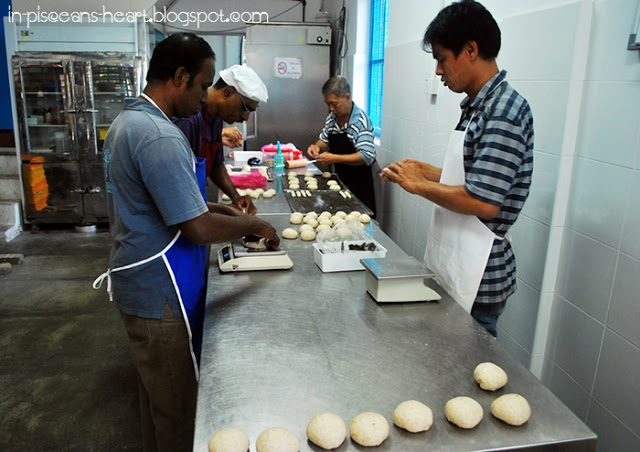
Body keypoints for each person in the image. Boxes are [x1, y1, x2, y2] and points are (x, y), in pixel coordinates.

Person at [93, 33, 279, 452]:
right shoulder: (159, 135)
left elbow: (177, 205)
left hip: (142, 278)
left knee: (157, 401)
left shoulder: (129, 121)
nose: (203, 96)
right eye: (200, 85)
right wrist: (254, 226)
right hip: (158, 289)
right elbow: (196, 228)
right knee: (177, 413)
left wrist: (228, 209)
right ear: (180, 77)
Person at [381, 0, 534, 337]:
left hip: (479, 273)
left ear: (470, 50)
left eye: (440, 58)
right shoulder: (478, 106)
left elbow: (484, 202)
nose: (438, 71)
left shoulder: (503, 110)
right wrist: (427, 171)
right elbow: (476, 176)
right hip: (458, 260)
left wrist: (418, 186)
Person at [173, 64, 269, 215]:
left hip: (195, 200)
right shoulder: (189, 118)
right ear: (228, 92)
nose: (245, 117)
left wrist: (235, 197)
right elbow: (176, 185)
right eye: (246, 108)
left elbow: (216, 164)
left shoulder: (216, 118)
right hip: (179, 210)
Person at [307, 75, 377, 216]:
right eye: (328, 104)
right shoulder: (332, 118)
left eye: (334, 103)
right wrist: (317, 147)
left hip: (359, 186)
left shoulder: (360, 121)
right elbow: (325, 139)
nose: (331, 108)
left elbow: (366, 156)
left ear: (347, 97)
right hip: (339, 181)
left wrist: (334, 158)